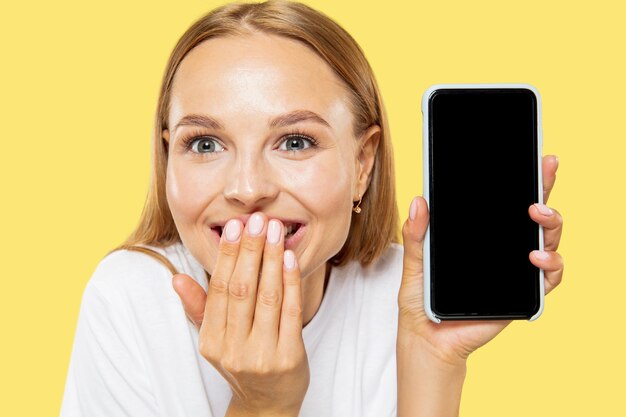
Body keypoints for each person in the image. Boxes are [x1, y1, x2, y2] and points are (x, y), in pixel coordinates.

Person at [60, 1, 565, 416]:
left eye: (296, 141)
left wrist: (431, 358)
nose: (248, 187)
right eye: (206, 144)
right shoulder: (130, 298)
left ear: (363, 163)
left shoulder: (404, 296)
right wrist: (263, 405)